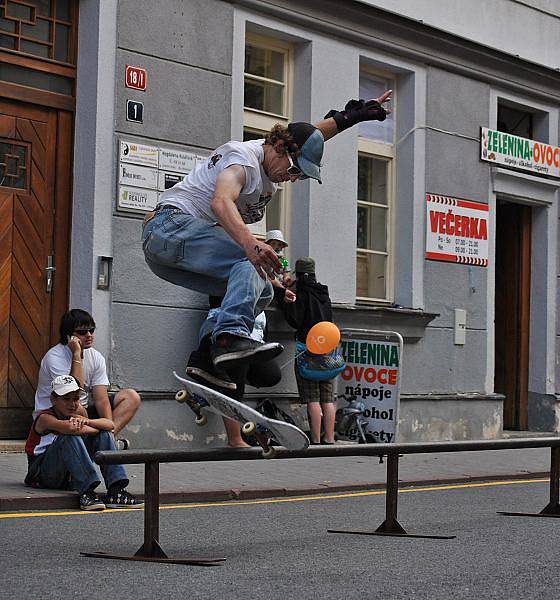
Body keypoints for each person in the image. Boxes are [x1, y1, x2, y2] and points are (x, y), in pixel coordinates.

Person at [142, 91, 392, 385]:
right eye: (295, 170)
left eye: (301, 176)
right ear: (278, 148)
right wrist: (252, 244)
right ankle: (229, 337)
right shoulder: (243, 160)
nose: (293, 178)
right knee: (249, 258)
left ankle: (208, 357)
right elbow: (221, 203)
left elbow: (307, 136)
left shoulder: (273, 164)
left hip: (170, 255)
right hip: (169, 228)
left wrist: (352, 117)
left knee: (260, 288)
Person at [24, 375, 143, 510]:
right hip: (43, 475)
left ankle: (116, 491)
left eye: (75, 399)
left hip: (68, 475)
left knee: (104, 435)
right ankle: (87, 492)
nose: (72, 404)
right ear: (53, 399)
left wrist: (87, 421)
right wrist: (97, 427)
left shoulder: (79, 411)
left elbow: (110, 425)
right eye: (66, 399)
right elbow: (71, 429)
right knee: (69, 437)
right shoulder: (45, 418)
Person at [33, 309, 141, 450]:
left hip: (82, 411)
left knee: (131, 397)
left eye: (92, 330)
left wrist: (108, 426)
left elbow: (101, 399)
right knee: (77, 408)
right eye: (82, 332)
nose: (89, 335)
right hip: (59, 411)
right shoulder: (54, 357)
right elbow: (74, 392)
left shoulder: (96, 357)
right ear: (69, 336)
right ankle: (99, 442)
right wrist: (76, 355)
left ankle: (108, 441)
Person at [283, 257, 337, 445]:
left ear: (297, 273)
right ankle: (330, 438)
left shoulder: (301, 294)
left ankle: (315, 439)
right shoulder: (323, 293)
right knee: (327, 399)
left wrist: (288, 301)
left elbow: (295, 320)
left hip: (307, 349)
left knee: (312, 399)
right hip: (328, 350)